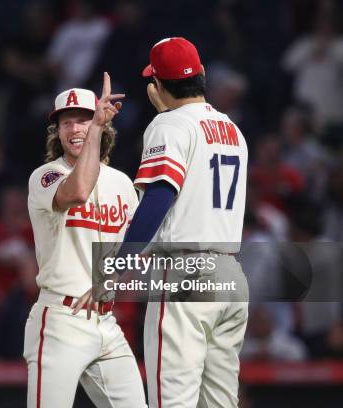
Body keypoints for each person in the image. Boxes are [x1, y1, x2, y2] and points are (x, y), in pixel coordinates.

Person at [76, 37, 249, 407]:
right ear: (201, 74)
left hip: (185, 272)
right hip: (231, 274)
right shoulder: (233, 129)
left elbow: (157, 199)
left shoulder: (169, 124)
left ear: (156, 85)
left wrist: (114, 270)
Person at [25, 73, 147, 408]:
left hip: (106, 321)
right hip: (60, 320)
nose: (76, 129)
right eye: (67, 122)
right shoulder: (47, 175)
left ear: (104, 125)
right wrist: (96, 128)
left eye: (84, 120)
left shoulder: (122, 183)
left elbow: (137, 249)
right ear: (58, 131)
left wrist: (110, 277)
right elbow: (78, 192)